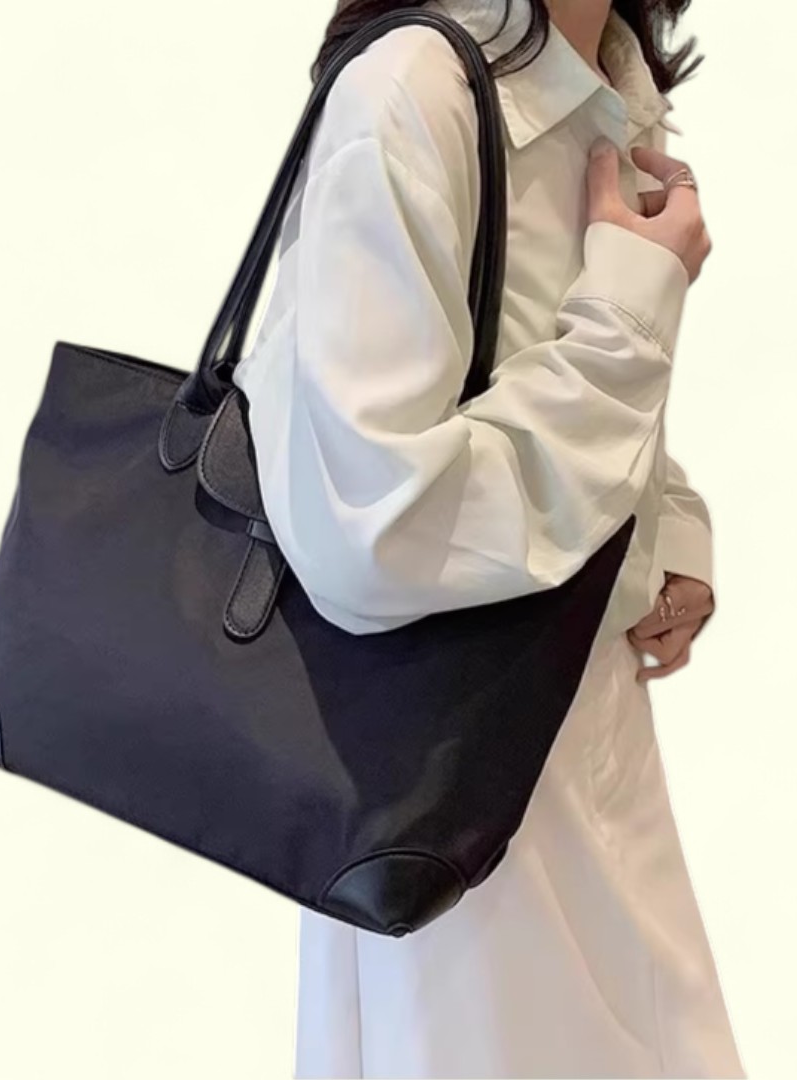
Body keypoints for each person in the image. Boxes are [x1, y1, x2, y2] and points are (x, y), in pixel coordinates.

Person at [229, 0, 745, 1076]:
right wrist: (631, 316)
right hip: (458, 813)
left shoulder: (605, 78)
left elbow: (526, 380)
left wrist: (666, 533)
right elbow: (369, 529)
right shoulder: (411, 91)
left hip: (589, 758)